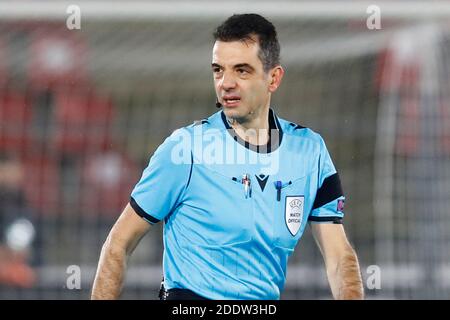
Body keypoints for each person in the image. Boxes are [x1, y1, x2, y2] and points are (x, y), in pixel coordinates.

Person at [91, 13, 364, 300]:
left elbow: (338, 258)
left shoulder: (310, 152)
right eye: (218, 70)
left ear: (274, 78)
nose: (226, 83)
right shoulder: (185, 149)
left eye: (242, 71)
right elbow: (118, 244)